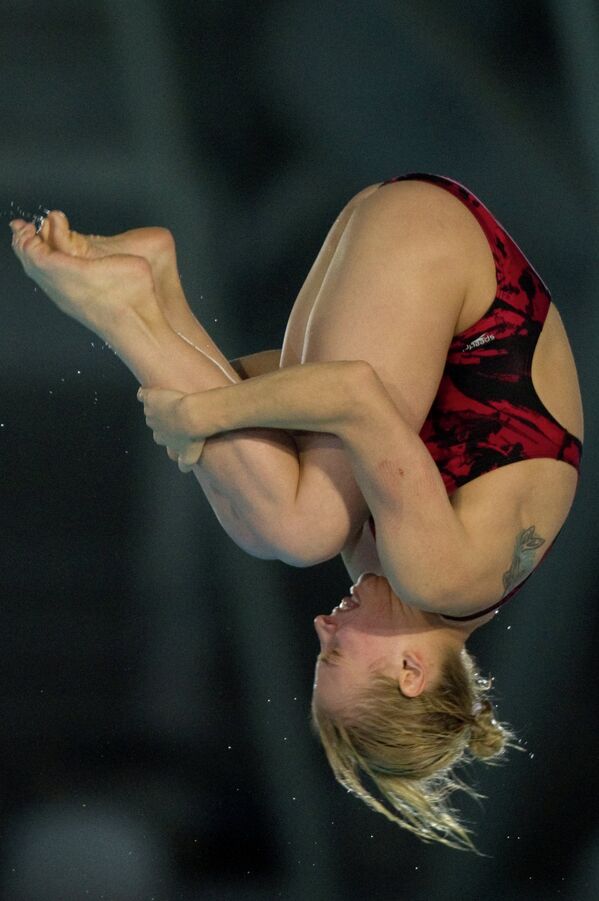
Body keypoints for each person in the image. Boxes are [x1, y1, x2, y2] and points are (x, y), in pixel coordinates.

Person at [10, 173, 584, 852]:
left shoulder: (397, 570)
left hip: (425, 245)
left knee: (278, 514)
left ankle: (154, 290)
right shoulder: (442, 576)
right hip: (437, 245)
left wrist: (203, 404)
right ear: (410, 673)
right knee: (301, 524)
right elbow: (354, 394)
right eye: (336, 654)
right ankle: (124, 310)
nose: (321, 625)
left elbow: (301, 389)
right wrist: (201, 414)